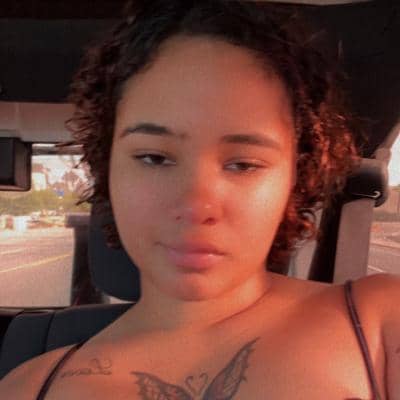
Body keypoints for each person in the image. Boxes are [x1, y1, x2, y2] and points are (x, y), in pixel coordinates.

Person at [1, 1, 399, 399]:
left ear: (295, 178)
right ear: (108, 168)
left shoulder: (380, 322)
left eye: (243, 164)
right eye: (154, 158)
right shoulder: (29, 388)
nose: (196, 207)